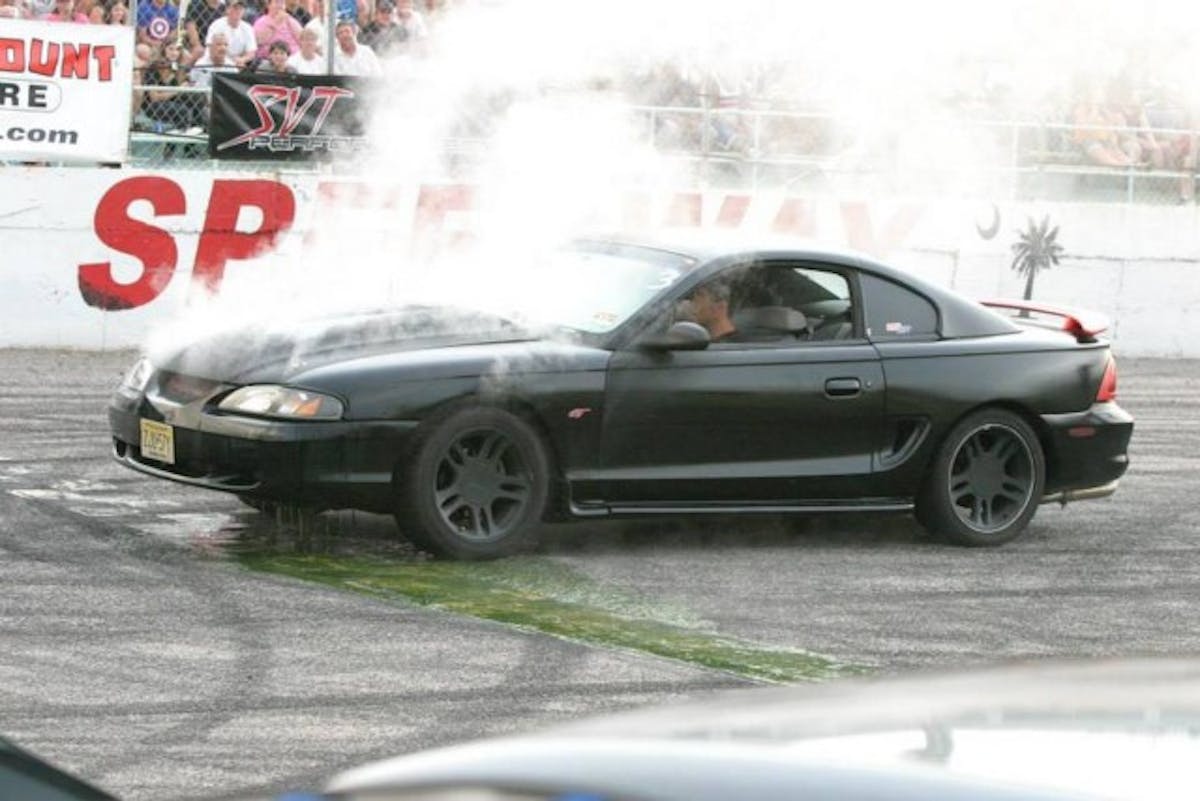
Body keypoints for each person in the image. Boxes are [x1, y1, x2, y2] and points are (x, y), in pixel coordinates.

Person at [206, 0, 258, 67]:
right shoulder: (217, 25)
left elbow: (251, 52)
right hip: (217, 61)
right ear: (227, 9)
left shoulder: (247, 28)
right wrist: (229, 62)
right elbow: (210, 48)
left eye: (241, 8)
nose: (238, 11)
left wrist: (242, 59)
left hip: (238, 62)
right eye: (235, 8)